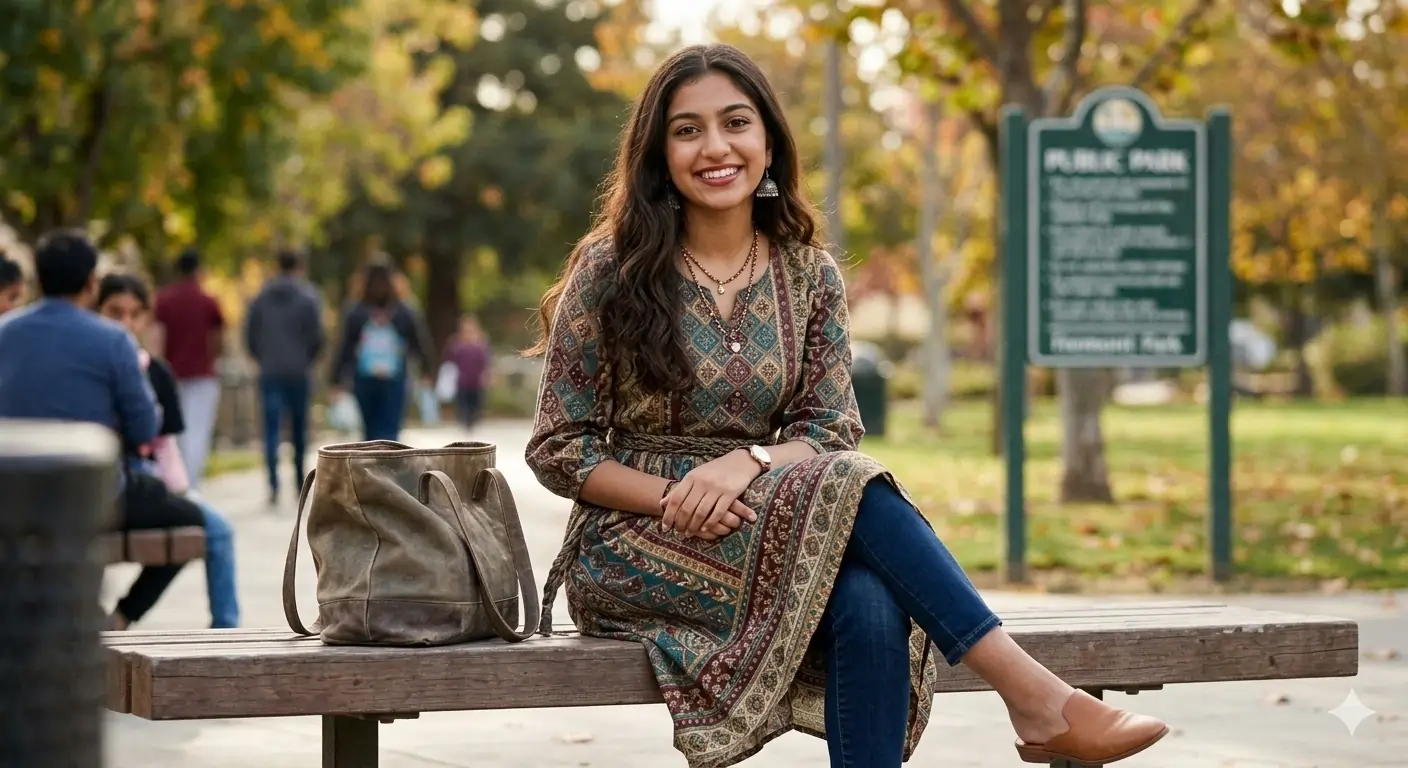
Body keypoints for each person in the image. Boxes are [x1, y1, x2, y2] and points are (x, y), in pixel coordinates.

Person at [525, 44, 1168, 768]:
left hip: (775, 510)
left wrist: (747, 463)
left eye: (735, 123)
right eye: (687, 130)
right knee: (850, 486)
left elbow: (828, 428)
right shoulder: (609, 268)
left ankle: (1039, 706)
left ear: (768, 141)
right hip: (634, 541)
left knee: (869, 599)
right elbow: (560, 447)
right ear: (658, 152)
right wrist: (680, 495)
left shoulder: (810, 273)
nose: (715, 147)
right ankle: (1035, 698)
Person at [0, 230, 206, 630]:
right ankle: (121, 616)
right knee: (193, 519)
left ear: (39, 279)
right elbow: (146, 427)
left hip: (13, 496)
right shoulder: (112, 340)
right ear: (92, 283)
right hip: (94, 494)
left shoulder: (5, 333)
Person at [96, 273, 242, 628]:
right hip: (103, 483)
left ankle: (226, 632)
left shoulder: (156, 372)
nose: (126, 323)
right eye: (115, 312)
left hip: (151, 482)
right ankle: (106, 620)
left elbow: (165, 448)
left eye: (135, 313)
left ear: (147, 318)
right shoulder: (89, 369)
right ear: (95, 310)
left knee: (216, 530)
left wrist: (182, 493)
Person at [244, 249, 324, 504]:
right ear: (299, 266)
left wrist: (263, 358)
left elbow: (250, 336)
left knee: (271, 429)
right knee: (299, 428)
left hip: (270, 371)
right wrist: (306, 359)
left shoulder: (260, 298)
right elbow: (317, 338)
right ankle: (300, 481)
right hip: (299, 371)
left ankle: (273, 484)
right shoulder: (308, 297)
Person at [329, 258, 435, 442]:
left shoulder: (355, 311)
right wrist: (427, 370)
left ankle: (372, 467)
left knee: (369, 432)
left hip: (364, 378)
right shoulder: (404, 310)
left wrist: (335, 379)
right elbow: (419, 342)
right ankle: (388, 467)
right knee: (390, 429)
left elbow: (344, 347)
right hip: (395, 378)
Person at [154, 247, 226, 489]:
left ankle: (178, 480)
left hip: (172, 375)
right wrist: (213, 359)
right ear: (198, 269)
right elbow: (217, 338)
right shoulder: (208, 301)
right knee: (198, 431)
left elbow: (158, 339)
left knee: (176, 433)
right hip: (202, 374)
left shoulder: (164, 300)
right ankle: (191, 483)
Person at [443, 315, 491, 429]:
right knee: (463, 403)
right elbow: (450, 360)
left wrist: (487, 375)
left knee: (476, 402)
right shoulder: (457, 343)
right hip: (462, 380)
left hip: (476, 380)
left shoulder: (481, 343)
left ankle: (473, 419)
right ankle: (464, 420)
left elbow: (486, 361)